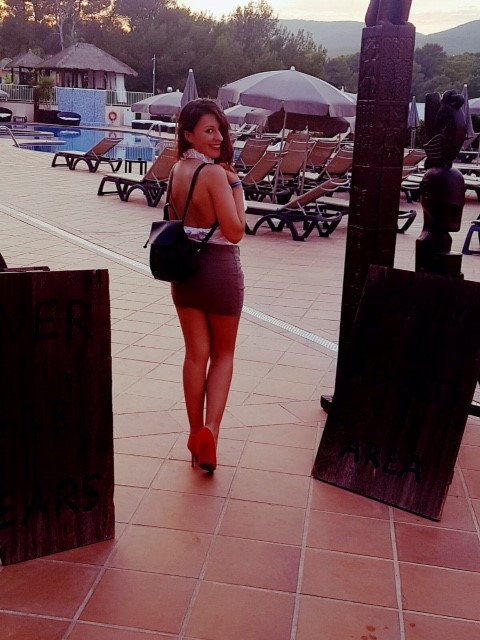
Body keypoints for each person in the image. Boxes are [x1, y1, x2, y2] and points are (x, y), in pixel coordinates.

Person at [167, 98, 245, 472]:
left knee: (195, 354)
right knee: (223, 354)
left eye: (220, 130)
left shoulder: (176, 171)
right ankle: (211, 431)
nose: (218, 138)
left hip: (184, 273)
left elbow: (174, 218)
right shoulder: (215, 175)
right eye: (209, 131)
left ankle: (194, 433)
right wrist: (237, 188)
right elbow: (235, 231)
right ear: (188, 135)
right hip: (219, 271)